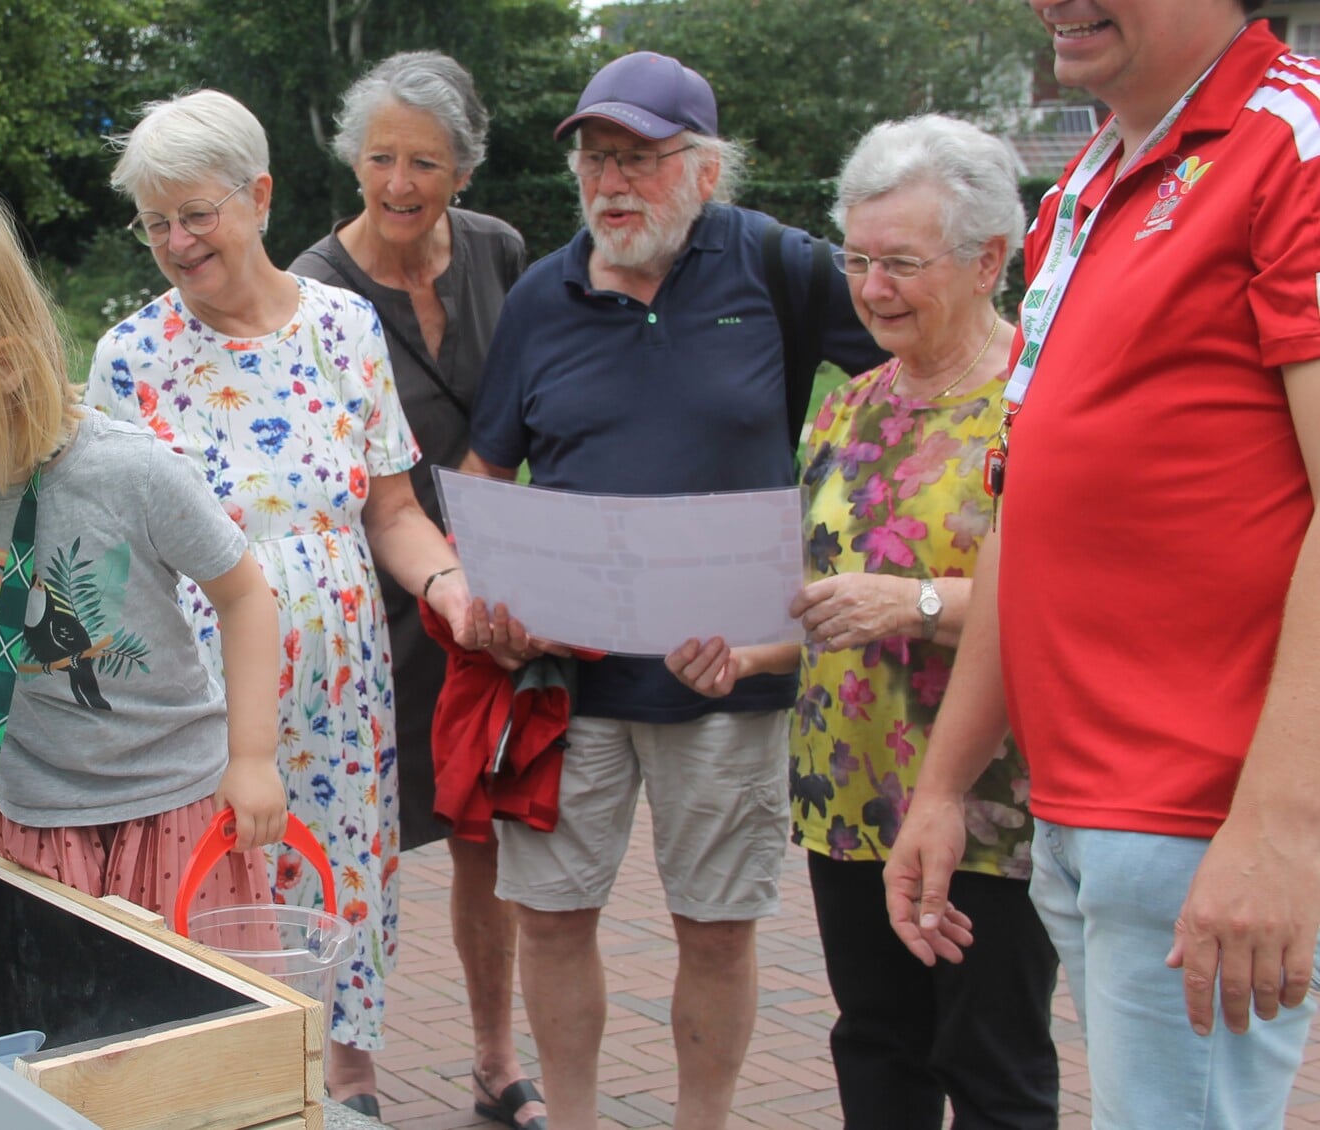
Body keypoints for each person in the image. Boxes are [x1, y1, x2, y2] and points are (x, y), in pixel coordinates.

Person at [884, 3, 1320, 1126]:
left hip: (1201, 810)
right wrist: (943, 783)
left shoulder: (1290, 139)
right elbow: (1023, 512)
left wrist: (1277, 825)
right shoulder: (1085, 177)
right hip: (1082, 811)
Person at [461, 52, 884, 1130]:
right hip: (565, 680)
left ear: (702, 172)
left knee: (717, 926)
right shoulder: (539, 299)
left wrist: (859, 525)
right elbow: (483, 476)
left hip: (725, 675)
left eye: (640, 160)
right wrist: (494, 601)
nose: (612, 183)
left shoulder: (779, 267)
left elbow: (911, 368)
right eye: (597, 159)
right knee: (551, 918)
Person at [84, 89, 495, 1117]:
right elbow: (99, 555)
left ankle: (346, 1083)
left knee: (344, 881)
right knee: (215, 891)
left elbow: (391, 508)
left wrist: (448, 582)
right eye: (156, 222)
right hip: (203, 698)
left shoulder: (343, 327)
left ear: (258, 195)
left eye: (196, 214)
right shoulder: (131, 359)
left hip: (344, 690)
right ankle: (225, 1088)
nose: (176, 242)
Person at [667, 115, 1058, 1128]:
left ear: (987, 261)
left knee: (990, 1064)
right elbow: (834, 598)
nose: (870, 287)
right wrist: (749, 653)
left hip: (986, 800)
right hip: (845, 787)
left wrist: (919, 600)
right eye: (856, 259)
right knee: (875, 1048)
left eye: (899, 262)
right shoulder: (848, 407)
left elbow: (1075, 599)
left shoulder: (1044, 407)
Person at [0, 190, 287, 921]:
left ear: (0, 367)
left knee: (187, 1019)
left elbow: (245, 596)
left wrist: (251, 759)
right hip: (35, 817)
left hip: (172, 804)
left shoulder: (133, 472)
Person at [288, 51, 543, 1130]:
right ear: (353, 159)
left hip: (481, 594)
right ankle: (349, 1066)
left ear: (463, 170)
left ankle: (494, 1062)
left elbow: (529, 401)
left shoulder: (498, 253)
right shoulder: (312, 284)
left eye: (423, 162)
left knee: (485, 835)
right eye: (380, 156)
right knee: (361, 834)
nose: (398, 182)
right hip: (367, 592)